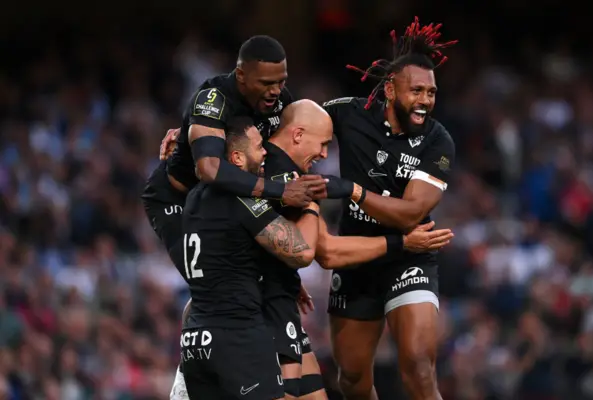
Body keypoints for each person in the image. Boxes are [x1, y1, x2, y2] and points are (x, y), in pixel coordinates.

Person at [141, 35, 326, 399]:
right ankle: (188, 379)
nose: (276, 91)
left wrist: (277, 261)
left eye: (282, 81)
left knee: (238, 281)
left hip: (220, 201)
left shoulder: (275, 103)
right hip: (177, 200)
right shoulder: (212, 98)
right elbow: (210, 167)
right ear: (241, 76)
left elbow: (274, 146)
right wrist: (282, 192)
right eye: (267, 83)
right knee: (214, 288)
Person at [262, 99, 454, 399]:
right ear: (298, 135)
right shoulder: (288, 181)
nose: (326, 154)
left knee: (417, 364)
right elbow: (323, 252)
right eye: (324, 144)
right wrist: (401, 242)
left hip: (266, 302)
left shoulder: (265, 164)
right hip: (250, 310)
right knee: (347, 377)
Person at [321, 17, 458, 400]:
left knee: (417, 364)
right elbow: (292, 121)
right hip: (356, 256)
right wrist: (201, 129)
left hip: (410, 251)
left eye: (431, 93)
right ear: (388, 88)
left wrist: (352, 191)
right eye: (416, 91)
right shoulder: (349, 113)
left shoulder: (437, 141)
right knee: (351, 378)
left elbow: (410, 213)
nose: (425, 101)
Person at [180, 116, 321, 400]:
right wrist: (311, 204)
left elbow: (229, 253)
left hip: (195, 340)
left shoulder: (193, 199)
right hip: (237, 337)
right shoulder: (242, 200)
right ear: (237, 158)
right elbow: (302, 251)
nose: (265, 151)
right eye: (258, 147)